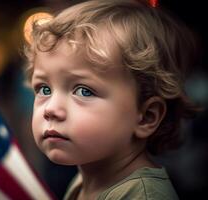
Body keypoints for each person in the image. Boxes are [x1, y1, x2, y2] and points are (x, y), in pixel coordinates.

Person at [23, 0, 199, 199]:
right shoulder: (84, 179)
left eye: (83, 91)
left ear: (146, 117)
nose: (51, 109)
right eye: (44, 89)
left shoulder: (143, 196)